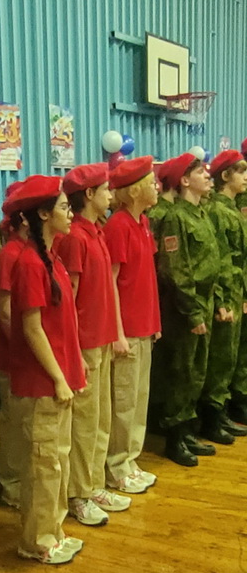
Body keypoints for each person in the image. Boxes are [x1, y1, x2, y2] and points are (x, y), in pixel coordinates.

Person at [7, 176, 85, 565]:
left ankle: (54, 529)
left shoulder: (50, 258)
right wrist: (56, 377)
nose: (70, 214)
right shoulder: (28, 263)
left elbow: (62, 323)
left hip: (60, 376)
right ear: (42, 214)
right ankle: (36, 540)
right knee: (43, 463)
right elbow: (32, 328)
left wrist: (75, 363)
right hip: (42, 381)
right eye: (64, 208)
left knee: (59, 458)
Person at [58, 163, 129, 526]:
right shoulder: (75, 237)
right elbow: (68, 299)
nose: (111, 196)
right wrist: (74, 350)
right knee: (83, 423)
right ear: (88, 195)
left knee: (100, 419)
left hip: (100, 339)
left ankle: (94, 482)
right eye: (105, 190)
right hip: (85, 343)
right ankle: (77, 493)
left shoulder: (96, 232)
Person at [152, 152, 220, 466]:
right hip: (184, 306)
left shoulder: (201, 213)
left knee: (198, 370)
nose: (207, 176)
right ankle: (175, 437)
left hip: (205, 300)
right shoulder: (175, 217)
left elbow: (212, 261)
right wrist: (192, 310)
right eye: (199, 172)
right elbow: (175, 269)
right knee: (182, 370)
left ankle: (189, 428)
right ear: (184, 180)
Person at [103, 156, 161, 492]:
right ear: (136, 190)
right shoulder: (119, 226)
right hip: (127, 329)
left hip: (144, 325)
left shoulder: (143, 223)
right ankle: (116, 464)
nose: (157, 187)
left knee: (139, 398)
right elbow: (111, 282)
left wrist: (155, 320)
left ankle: (130, 459)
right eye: (151, 183)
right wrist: (118, 331)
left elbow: (146, 277)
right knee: (123, 401)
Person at [201, 149, 247, 437]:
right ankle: (213, 415)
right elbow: (219, 261)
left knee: (231, 356)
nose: (246, 177)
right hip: (226, 293)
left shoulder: (232, 209)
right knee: (220, 357)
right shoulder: (218, 211)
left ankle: (224, 409)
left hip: (237, 290)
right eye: (240, 172)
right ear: (225, 175)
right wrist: (223, 299)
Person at [0, 182, 28, 509]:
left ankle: (25, 479)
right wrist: (22, 352)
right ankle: (12, 482)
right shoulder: (9, 255)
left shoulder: (33, 252)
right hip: (14, 355)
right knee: (15, 422)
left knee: (28, 423)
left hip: (29, 355)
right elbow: (4, 311)